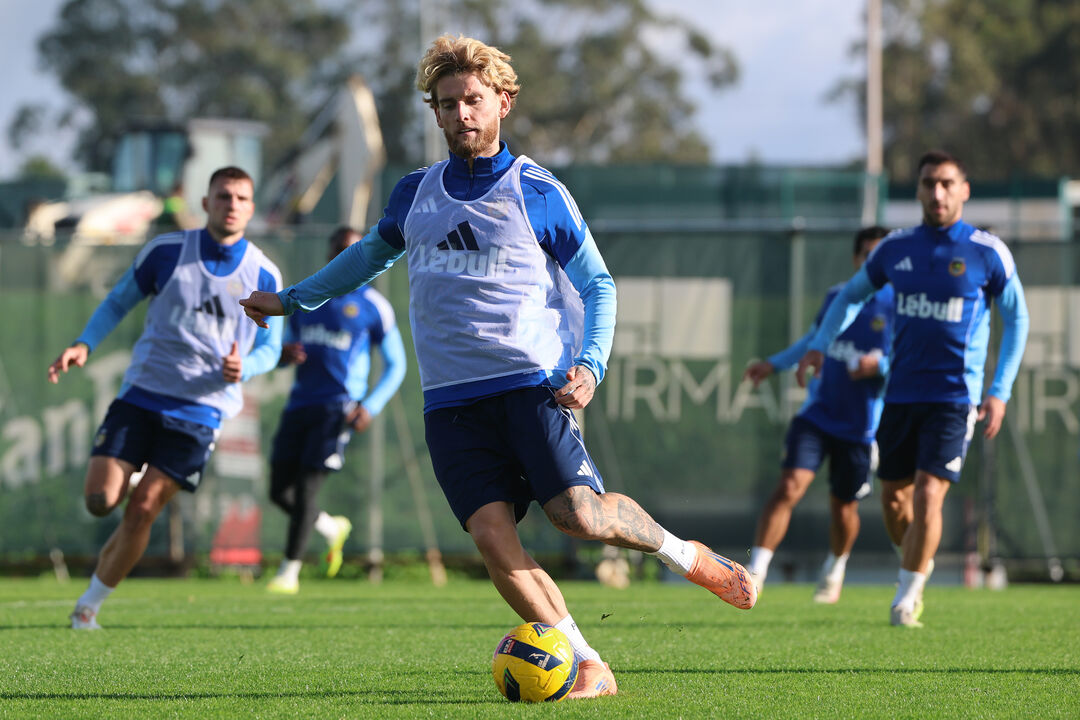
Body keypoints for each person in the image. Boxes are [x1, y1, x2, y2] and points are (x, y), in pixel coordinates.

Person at [239, 34, 755, 698]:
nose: (461, 116)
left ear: (503, 102)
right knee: (491, 537)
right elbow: (367, 257)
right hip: (450, 401)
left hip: (528, 386)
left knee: (580, 517)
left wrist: (591, 366)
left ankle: (689, 558)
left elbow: (600, 286)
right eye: (447, 104)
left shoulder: (536, 190)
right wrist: (290, 300)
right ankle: (589, 662)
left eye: (473, 101)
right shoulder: (413, 193)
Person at [796, 150, 1029, 627]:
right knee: (895, 502)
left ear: (964, 189)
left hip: (954, 397)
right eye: (928, 184)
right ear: (918, 190)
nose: (937, 193)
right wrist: (820, 345)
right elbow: (850, 296)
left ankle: (907, 597)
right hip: (899, 396)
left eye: (946, 183)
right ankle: (918, 557)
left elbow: (1018, 318)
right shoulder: (895, 249)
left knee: (928, 495)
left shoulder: (987, 251)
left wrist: (1000, 389)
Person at [48, 166, 284, 629]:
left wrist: (247, 366)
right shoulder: (167, 251)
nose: (231, 204)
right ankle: (129, 480)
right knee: (100, 500)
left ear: (251, 208)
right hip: (143, 395)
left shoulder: (264, 272)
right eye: (222, 196)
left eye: (240, 198)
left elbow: (272, 347)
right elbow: (118, 300)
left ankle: (88, 607)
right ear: (205, 203)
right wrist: (83, 343)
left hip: (202, 409)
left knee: (142, 510)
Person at [743, 226, 894, 603]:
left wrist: (881, 365)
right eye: (867, 256)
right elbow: (812, 341)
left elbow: (909, 359)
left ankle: (836, 567)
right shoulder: (838, 297)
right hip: (817, 415)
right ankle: (756, 573)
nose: (873, 264)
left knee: (843, 509)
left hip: (861, 428)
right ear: (856, 260)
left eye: (881, 257)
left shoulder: (900, 303)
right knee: (789, 486)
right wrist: (773, 365)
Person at [265, 227, 407, 594]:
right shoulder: (307, 297)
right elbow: (283, 349)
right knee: (280, 492)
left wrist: (370, 406)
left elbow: (397, 364)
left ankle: (288, 572)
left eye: (353, 251)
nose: (346, 258)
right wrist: (283, 357)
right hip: (299, 404)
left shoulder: (373, 305)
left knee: (307, 490)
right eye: (339, 252)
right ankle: (329, 527)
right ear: (330, 256)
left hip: (337, 408)